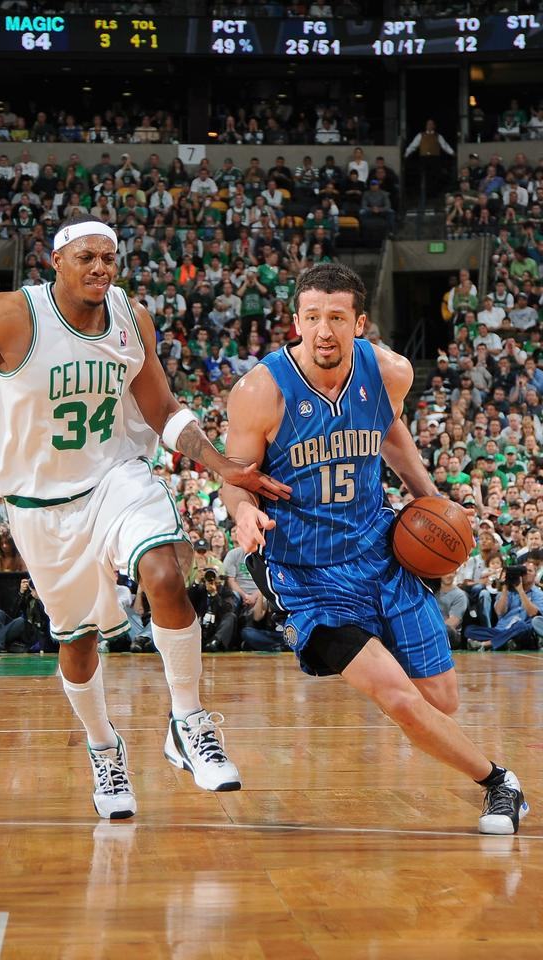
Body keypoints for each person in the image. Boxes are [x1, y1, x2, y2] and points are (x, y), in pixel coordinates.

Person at [0, 212, 289, 820]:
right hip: (40, 505)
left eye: (109, 257)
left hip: (116, 477)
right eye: (86, 257)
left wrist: (221, 464)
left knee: (165, 573)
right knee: (78, 642)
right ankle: (104, 749)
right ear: (55, 261)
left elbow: (161, 408)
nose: (100, 267)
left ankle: (188, 720)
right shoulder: (9, 315)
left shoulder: (132, 318)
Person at [221, 262, 528, 835]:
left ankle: (388, 665)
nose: (324, 330)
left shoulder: (390, 372)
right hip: (303, 572)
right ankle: (500, 783)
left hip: (378, 549)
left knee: (441, 699)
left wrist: (434, 503)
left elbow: (391, 435)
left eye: (337, 318)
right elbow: (235, 478)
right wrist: (243, 513)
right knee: (399, 698)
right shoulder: (260, 391)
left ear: (359, 323)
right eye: (312, 317)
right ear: (296, 322)